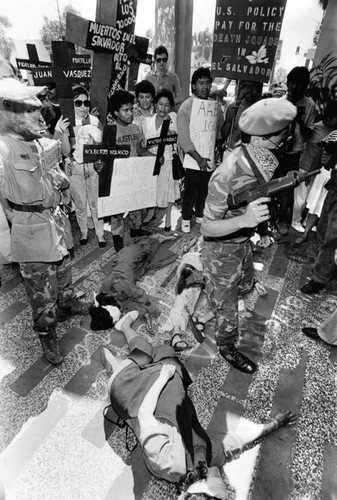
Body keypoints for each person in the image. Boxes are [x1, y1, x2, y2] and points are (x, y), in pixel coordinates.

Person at [101, 311, 296, 498]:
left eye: (221, 491)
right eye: (227, 491)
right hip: (169, 382)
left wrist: (163, 377)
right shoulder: (210, 458)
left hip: (135, 393)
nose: (226, 482)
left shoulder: (166, 463)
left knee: (141, 349)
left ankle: (122, 333)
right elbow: (238, 441)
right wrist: (274, 425)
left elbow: (144, 414)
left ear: (199, 486)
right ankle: (140, 350)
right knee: (164, 349)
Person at [199, 98, 297, 374]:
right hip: (221, 250)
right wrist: (245, 220)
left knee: (244, 286)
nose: (286, 139)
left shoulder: (261, 157)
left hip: (242, 243)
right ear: (262, 137)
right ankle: (226, 345)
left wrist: (259, 227)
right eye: (282, 135)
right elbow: (206, 227)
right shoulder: (228, 172)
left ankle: (216, 299)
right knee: (228, 307)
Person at [0, 77, 91, 365]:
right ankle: (46, 332)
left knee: (64, 271)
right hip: (30, 227)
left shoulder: (39, 141)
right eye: (29, 108)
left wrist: (61, 180)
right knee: (40, 291)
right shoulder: (3, 149)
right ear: (7, 111)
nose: (39, 112)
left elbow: (54, 173)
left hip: (56, 221)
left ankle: (66, 303)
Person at [55, 85, 106, 248]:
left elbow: (102, 146)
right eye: (78, 103)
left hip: (92, 168)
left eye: (86, 102)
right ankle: (84, 232)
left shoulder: (95, 121)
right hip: (75, 169)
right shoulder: (63, 122)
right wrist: (63, 132)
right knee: (81, 204)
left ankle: (101, 234)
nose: (83, 106)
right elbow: (64, 152)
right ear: (71, 104)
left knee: (96, 203)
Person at [177, 67, 224, 234]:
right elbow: (183, 138)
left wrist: (217, 147)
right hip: (192, 158)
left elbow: (218, 130)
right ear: (193, 86)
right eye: (201, 83)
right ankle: (185, 217)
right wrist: (198, 159)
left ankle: (199, 214)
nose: (204, 87)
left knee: (205, 188)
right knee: (190, 189)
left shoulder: (215, 107)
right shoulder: (186, 107)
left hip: (209, 157)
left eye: (207, 83)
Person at [106, 89, 151, 252]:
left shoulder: (136, 129)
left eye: (131, 109)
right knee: (117, 209)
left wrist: (153, 157)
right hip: (117, 177)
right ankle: (117, 235)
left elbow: (140, 149)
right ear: (116, 112)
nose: (130, 113)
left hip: (135, 173)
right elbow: (104, 155)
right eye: (126, 110)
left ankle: (135, 228)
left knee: (136, 205)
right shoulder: (110, 130)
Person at [274, 67, 316, 235]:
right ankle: (269, 219)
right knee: (271, 186)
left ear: (305, 86)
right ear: (288, 83)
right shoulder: (279, 102)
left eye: (299, 84)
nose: (295, 88)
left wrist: (297, 117)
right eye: (292, 83)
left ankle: (281, 220)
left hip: (294, 154)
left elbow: (309, 134)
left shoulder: (309, 105)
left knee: (287, 189)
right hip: (277, 152)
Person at [294, 101, 337, 245]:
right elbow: (319, 153)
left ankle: (318, 236)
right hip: (323, 174)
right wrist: (311, 173)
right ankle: (304, 231)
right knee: (313, 204)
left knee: (326, 210)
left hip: (329, 176)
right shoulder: (333, 134)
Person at [301, 134, 337, 294]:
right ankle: (329, 266)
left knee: (331, 237)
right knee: (323, 229)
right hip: (335, 185)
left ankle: (320, 277)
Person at [142, 89, 180, 231]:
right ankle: (151, 211)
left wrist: (171, 132)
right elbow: (144, 142)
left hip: (167, 159)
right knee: (151, 187)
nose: (163, 108)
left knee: (168, 188)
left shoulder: (172, 120)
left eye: (166, 105)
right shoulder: (147, 121)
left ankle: (168, 217)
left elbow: (176, 138)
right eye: (160, 104)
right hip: (152, 159)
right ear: (155, 104)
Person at [222, 80, 263, 151]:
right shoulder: (234, 107)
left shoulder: (262, 110)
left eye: (253, 87)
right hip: (233, 154)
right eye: (246, 87)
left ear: (259, 89)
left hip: (251, 157)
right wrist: (229, 120)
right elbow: (223, 135)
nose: (249, 90)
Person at [145, 45, 183, 110]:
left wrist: (168, 104)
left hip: (168, 113)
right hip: (152, 113)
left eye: (164, 60)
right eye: (159, 60)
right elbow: (145, 96)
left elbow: (179, 97)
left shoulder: (173, 77)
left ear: (167, 60)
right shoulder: (149, 77)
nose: (161, 62)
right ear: (155, 61)